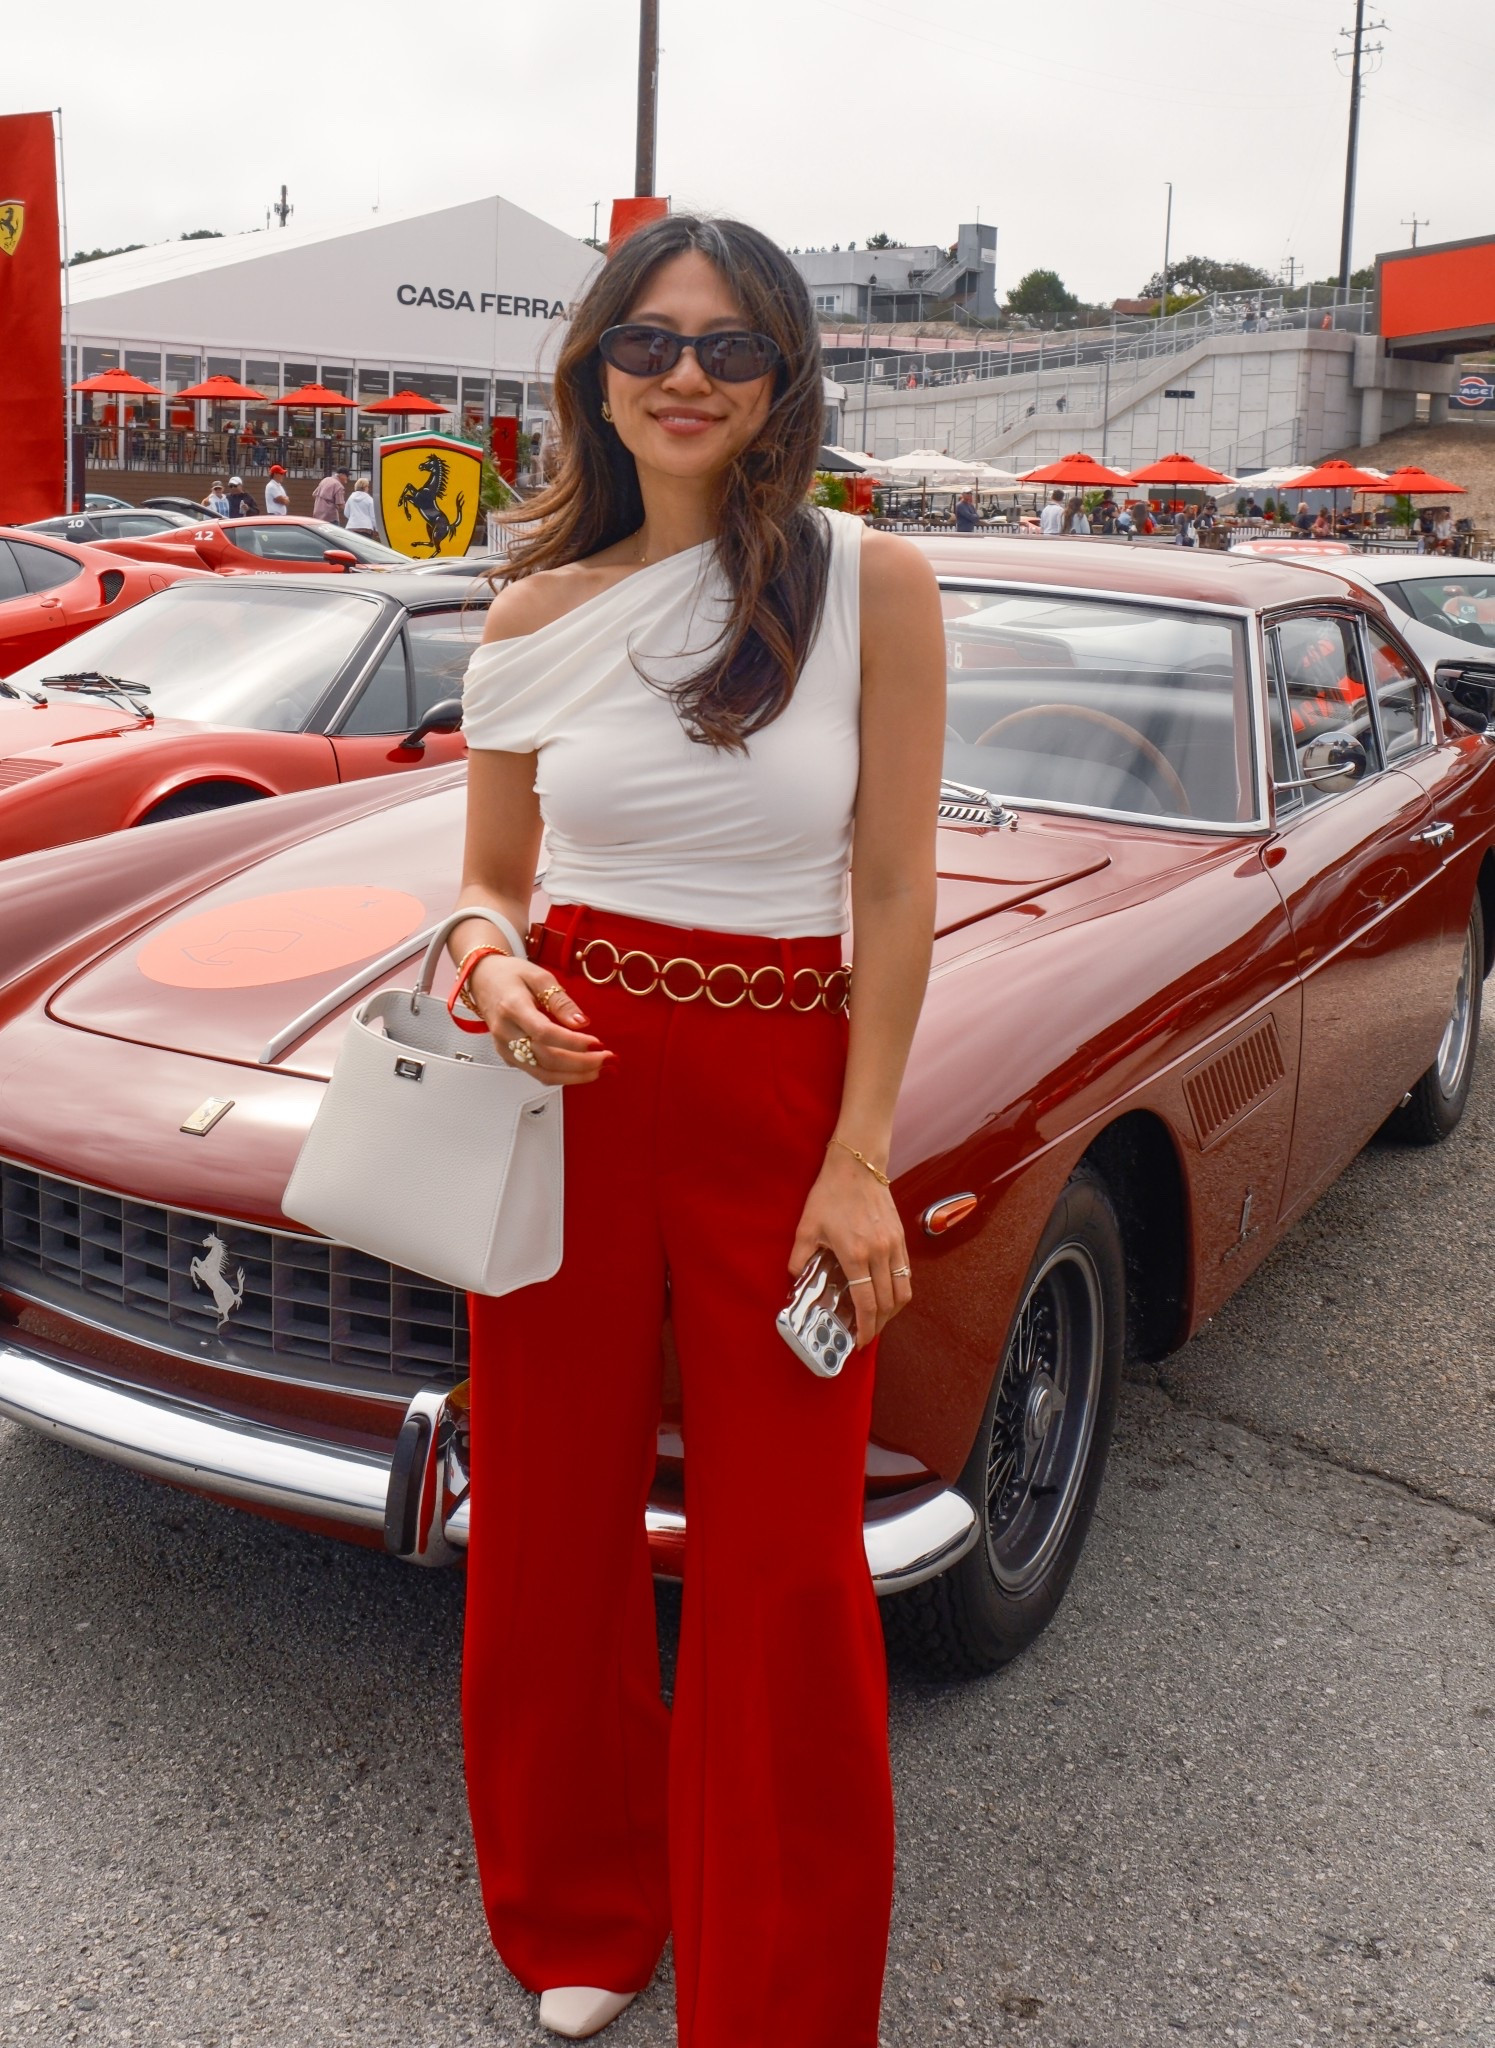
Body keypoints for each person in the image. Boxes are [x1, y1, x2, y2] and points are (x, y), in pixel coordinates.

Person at [450, 213, 943, 2047]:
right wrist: (488, 964)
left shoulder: (870, 585)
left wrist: (857, 1156)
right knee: (549, 1511)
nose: (681, 374)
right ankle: (580, 1897)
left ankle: (778, 1995)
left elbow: (890, 889)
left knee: (785, 1559)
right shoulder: (528, 613)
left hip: (781, 1095)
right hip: (562, 1080)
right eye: (646, 340)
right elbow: (487, 883)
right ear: (593, 368)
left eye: (727, 346)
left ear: (779, 379)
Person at [343, 472, 378, 536]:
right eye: (368, 486)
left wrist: (353, 517)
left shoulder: (351, 498)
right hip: (366, 527)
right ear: (365, 487)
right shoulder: (369, 499)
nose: (368, 488)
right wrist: (376, 529)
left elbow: (346, 513)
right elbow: (373, 516)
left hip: (351, 526)